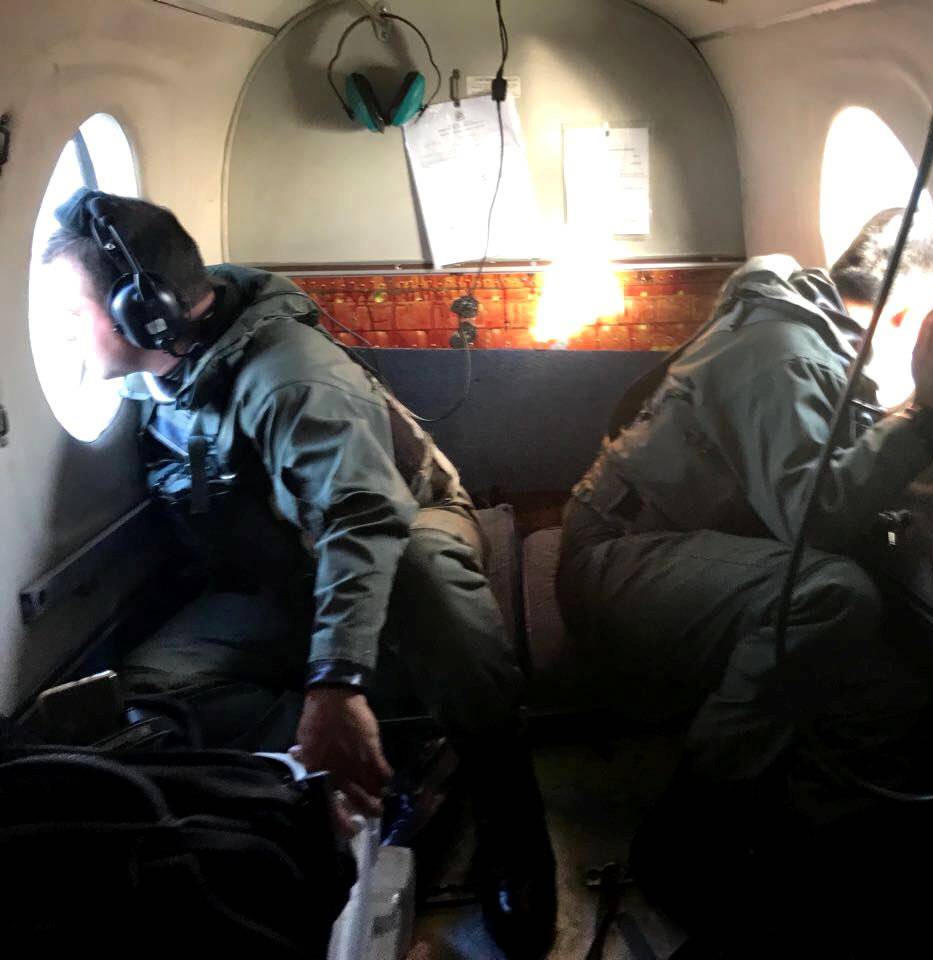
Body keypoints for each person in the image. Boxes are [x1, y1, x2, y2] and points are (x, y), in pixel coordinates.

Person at [40, 189, 556, 959]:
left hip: (400, 530)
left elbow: (365, 516)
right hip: (283, 578)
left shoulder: (291, 378)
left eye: (73, 313)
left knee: (422, 573)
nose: (64, 334)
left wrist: (335, 682)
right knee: (150, 701)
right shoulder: (169, 373)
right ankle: (378, 761)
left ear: (143, 313)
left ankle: (505, 798)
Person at [556, 230, 933, 910]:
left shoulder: (798, 330)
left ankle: (806, 841)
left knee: (887, 695)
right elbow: (814, 522)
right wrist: (925, 410)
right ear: (905, 318)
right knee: (831, 594)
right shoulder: (781, 353)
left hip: (663, 549)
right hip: (618, 561)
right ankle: (690, 832)